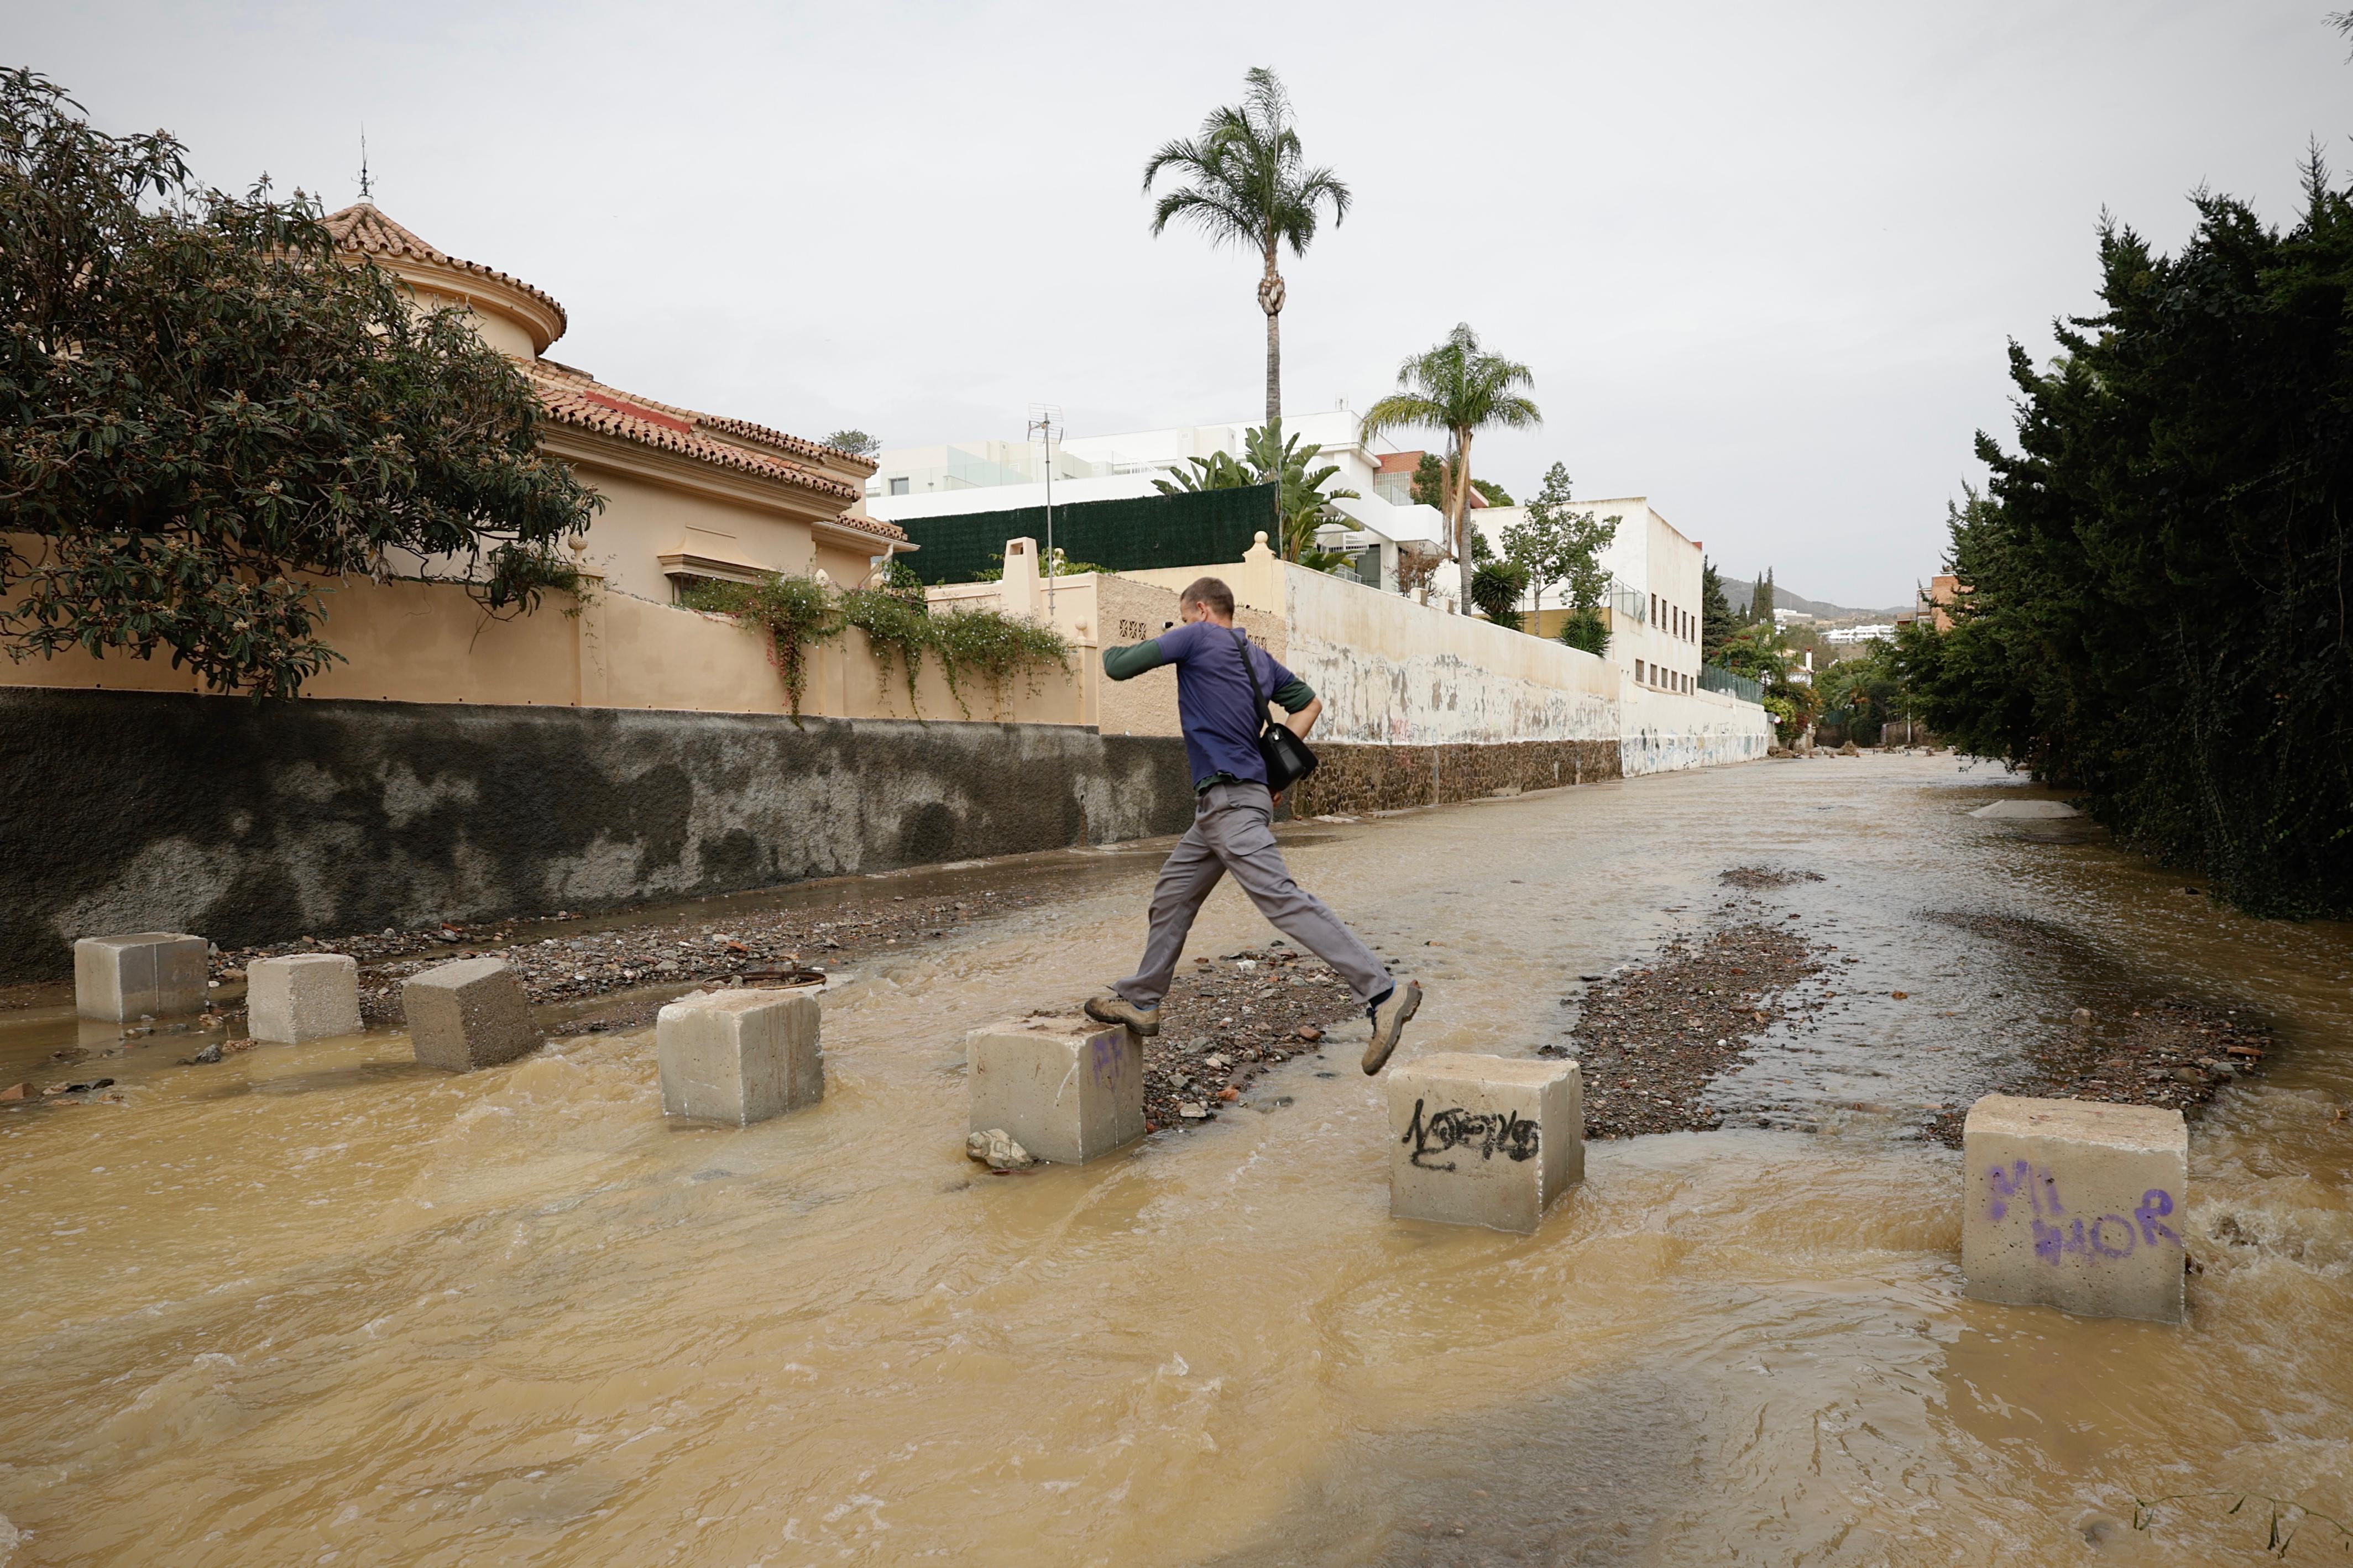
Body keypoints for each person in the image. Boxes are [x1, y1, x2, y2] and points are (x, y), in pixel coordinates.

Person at [1083, 575, 1420, 1073]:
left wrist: (1107, 640)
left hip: (1231, 804)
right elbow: (1309, 702)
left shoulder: (1197, 635)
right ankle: (1144, 999)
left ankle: (1382, 993)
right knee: (1173, 894)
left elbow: (1117, 666)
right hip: (1229, 804)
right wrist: (1274, 769)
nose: (1182, 624)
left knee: (1283, 900)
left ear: (1199, 608)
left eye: (1183, 615)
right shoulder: (1255, 654)